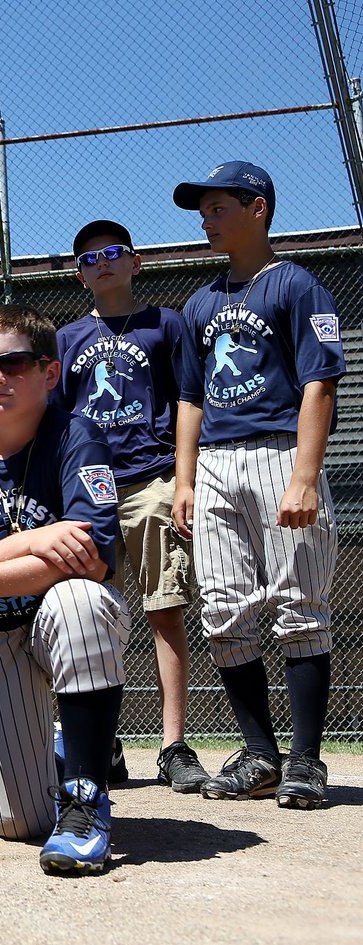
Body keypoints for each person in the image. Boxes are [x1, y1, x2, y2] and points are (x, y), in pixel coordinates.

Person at [0, 304, 130, 875]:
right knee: (18, 823)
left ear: (49, 372)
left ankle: (86, 791)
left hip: (58, 624)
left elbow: (95, 560)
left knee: (80, 600)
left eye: (12, 363)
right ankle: (60, 751)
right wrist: (39, 541)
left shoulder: (77, 437)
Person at [171, 161, 345, 809]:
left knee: (299, 606)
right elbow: (189, 397)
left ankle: (304, 761)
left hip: (279, 454)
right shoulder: (198, 303)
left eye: (217, 207)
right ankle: (260, 754)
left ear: (257, 208)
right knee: (222, 610)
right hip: (215, 462)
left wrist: (304, 475)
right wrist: (183, 479)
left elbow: (318, 384)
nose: (205, 218)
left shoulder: (296, 287)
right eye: (202, 209)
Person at [55, 219, 208, 793]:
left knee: (164, 607)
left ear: (135, 261)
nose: (103, 262)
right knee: (91, 617)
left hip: (151, 479)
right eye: (89, 257)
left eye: (113, 252)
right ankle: (102, 746)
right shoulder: (67, 338)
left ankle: (172, 744)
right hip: (89, 489)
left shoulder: (164, 325)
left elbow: (188, 400)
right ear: (79, 273)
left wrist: (183, 480)